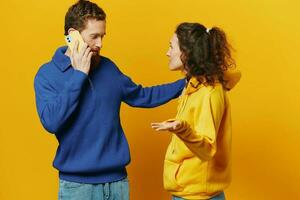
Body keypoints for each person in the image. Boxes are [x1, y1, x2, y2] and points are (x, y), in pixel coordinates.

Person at [33, 0, 186, 199]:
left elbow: (142, 96)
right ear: (73, 36)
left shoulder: (108, 68)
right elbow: (51, 122)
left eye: (102, 36)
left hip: (117, 184)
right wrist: (79, 75)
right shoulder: (47, 74)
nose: (100, 44)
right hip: (77, 187)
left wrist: (186, 83)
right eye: (94, 36)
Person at [151, 22, 241, 200]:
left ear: (186, 53)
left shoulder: (208, 93)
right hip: (189, 192)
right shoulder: (194, 86)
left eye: (171, 47)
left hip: (198, 196)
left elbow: (207, 149)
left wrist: (181, 129)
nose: (167, 53)